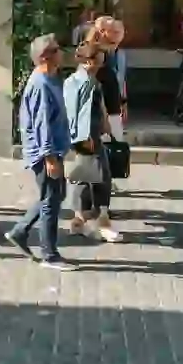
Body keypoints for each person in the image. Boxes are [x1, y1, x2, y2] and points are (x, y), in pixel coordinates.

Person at [4, 34, 78, 271]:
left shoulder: (50, 78)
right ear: (46, 56)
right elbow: (41, 123)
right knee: (51, 200)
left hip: (53, 149)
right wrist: (49, 157)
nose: (62, 52)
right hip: (45, 152)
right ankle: (49, 254)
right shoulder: (40, 84)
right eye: (57, 49)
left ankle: (20, 231)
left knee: (54, 195)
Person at [64, 41, 123, 243]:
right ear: (86, 61)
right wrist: (81, 138)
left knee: (86, 176)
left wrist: (106, 124)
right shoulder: (77, 82)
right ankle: (101, 221)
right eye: (97, 61)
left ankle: (79, 221)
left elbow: (99, 106)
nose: (100, 65)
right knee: (100, 177)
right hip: (86, 137)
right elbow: (72, 113)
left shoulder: (91, 79)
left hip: (93, 135)